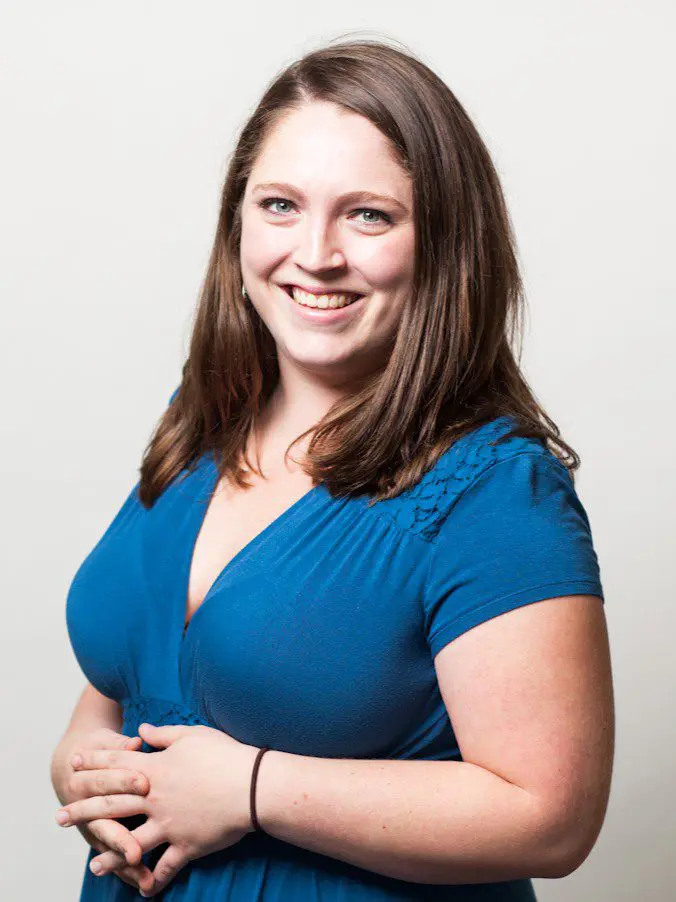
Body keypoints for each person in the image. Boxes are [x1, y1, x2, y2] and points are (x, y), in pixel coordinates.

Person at [51, 37, 614, 902]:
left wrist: (250, 791)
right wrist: (81, 765)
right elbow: (131, 673)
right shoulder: (200, 417)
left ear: (445, 245)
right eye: (280, 205)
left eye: (369, 215)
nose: (314, 254)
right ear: (236, 220)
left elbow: (550, 816)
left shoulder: (497, 490)